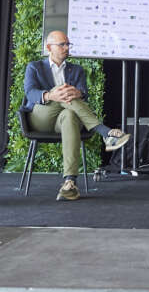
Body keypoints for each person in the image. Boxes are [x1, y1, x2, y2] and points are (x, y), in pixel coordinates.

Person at [22, 30, 130, 201]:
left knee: (70, 115)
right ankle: (104, 132)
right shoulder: (35, 67)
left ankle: (69, 182)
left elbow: (83, 94)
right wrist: (52, 95)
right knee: (60, 91)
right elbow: (30, 93)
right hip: (41, 117)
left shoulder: (76, 70)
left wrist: (76, 93)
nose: (66, 48)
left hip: (64, 117)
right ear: (49, 47)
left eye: (68, 44)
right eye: (62, 44)